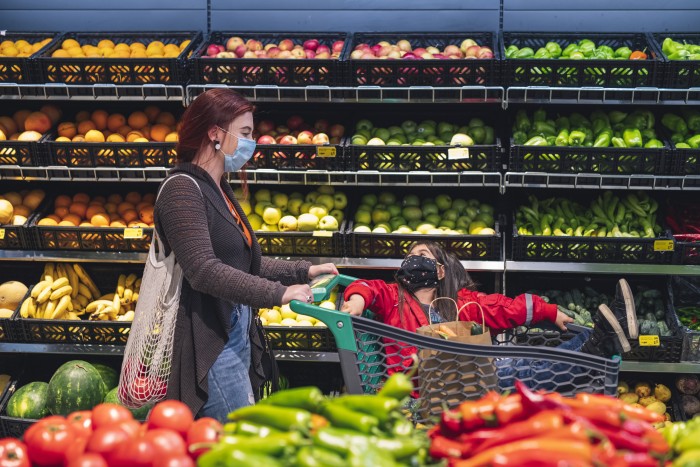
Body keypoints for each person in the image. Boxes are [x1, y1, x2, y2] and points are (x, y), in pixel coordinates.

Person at [154, 88, 337, 421]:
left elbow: (243, 262)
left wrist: (303, 271)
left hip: (235, 326)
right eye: (246, 133)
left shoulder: (218, 188)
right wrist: (277, 293)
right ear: (215, 134)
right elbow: (204, 271)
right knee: (235, 437)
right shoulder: (182, 189)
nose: (253, 142)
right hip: (208, 341)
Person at [340, 241, 637, 388]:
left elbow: (500, 307)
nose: (414, 260)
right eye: (410, 257)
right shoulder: (394, 297)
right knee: (515, 370)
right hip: (433, 389)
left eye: (423, 256)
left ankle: (601, 339)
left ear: (440, 271)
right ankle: (601, 345)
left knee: (521, 359)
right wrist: (355, 299)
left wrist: (548, 311)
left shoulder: (460, 302)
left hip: (467, 377)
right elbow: (369, 286)